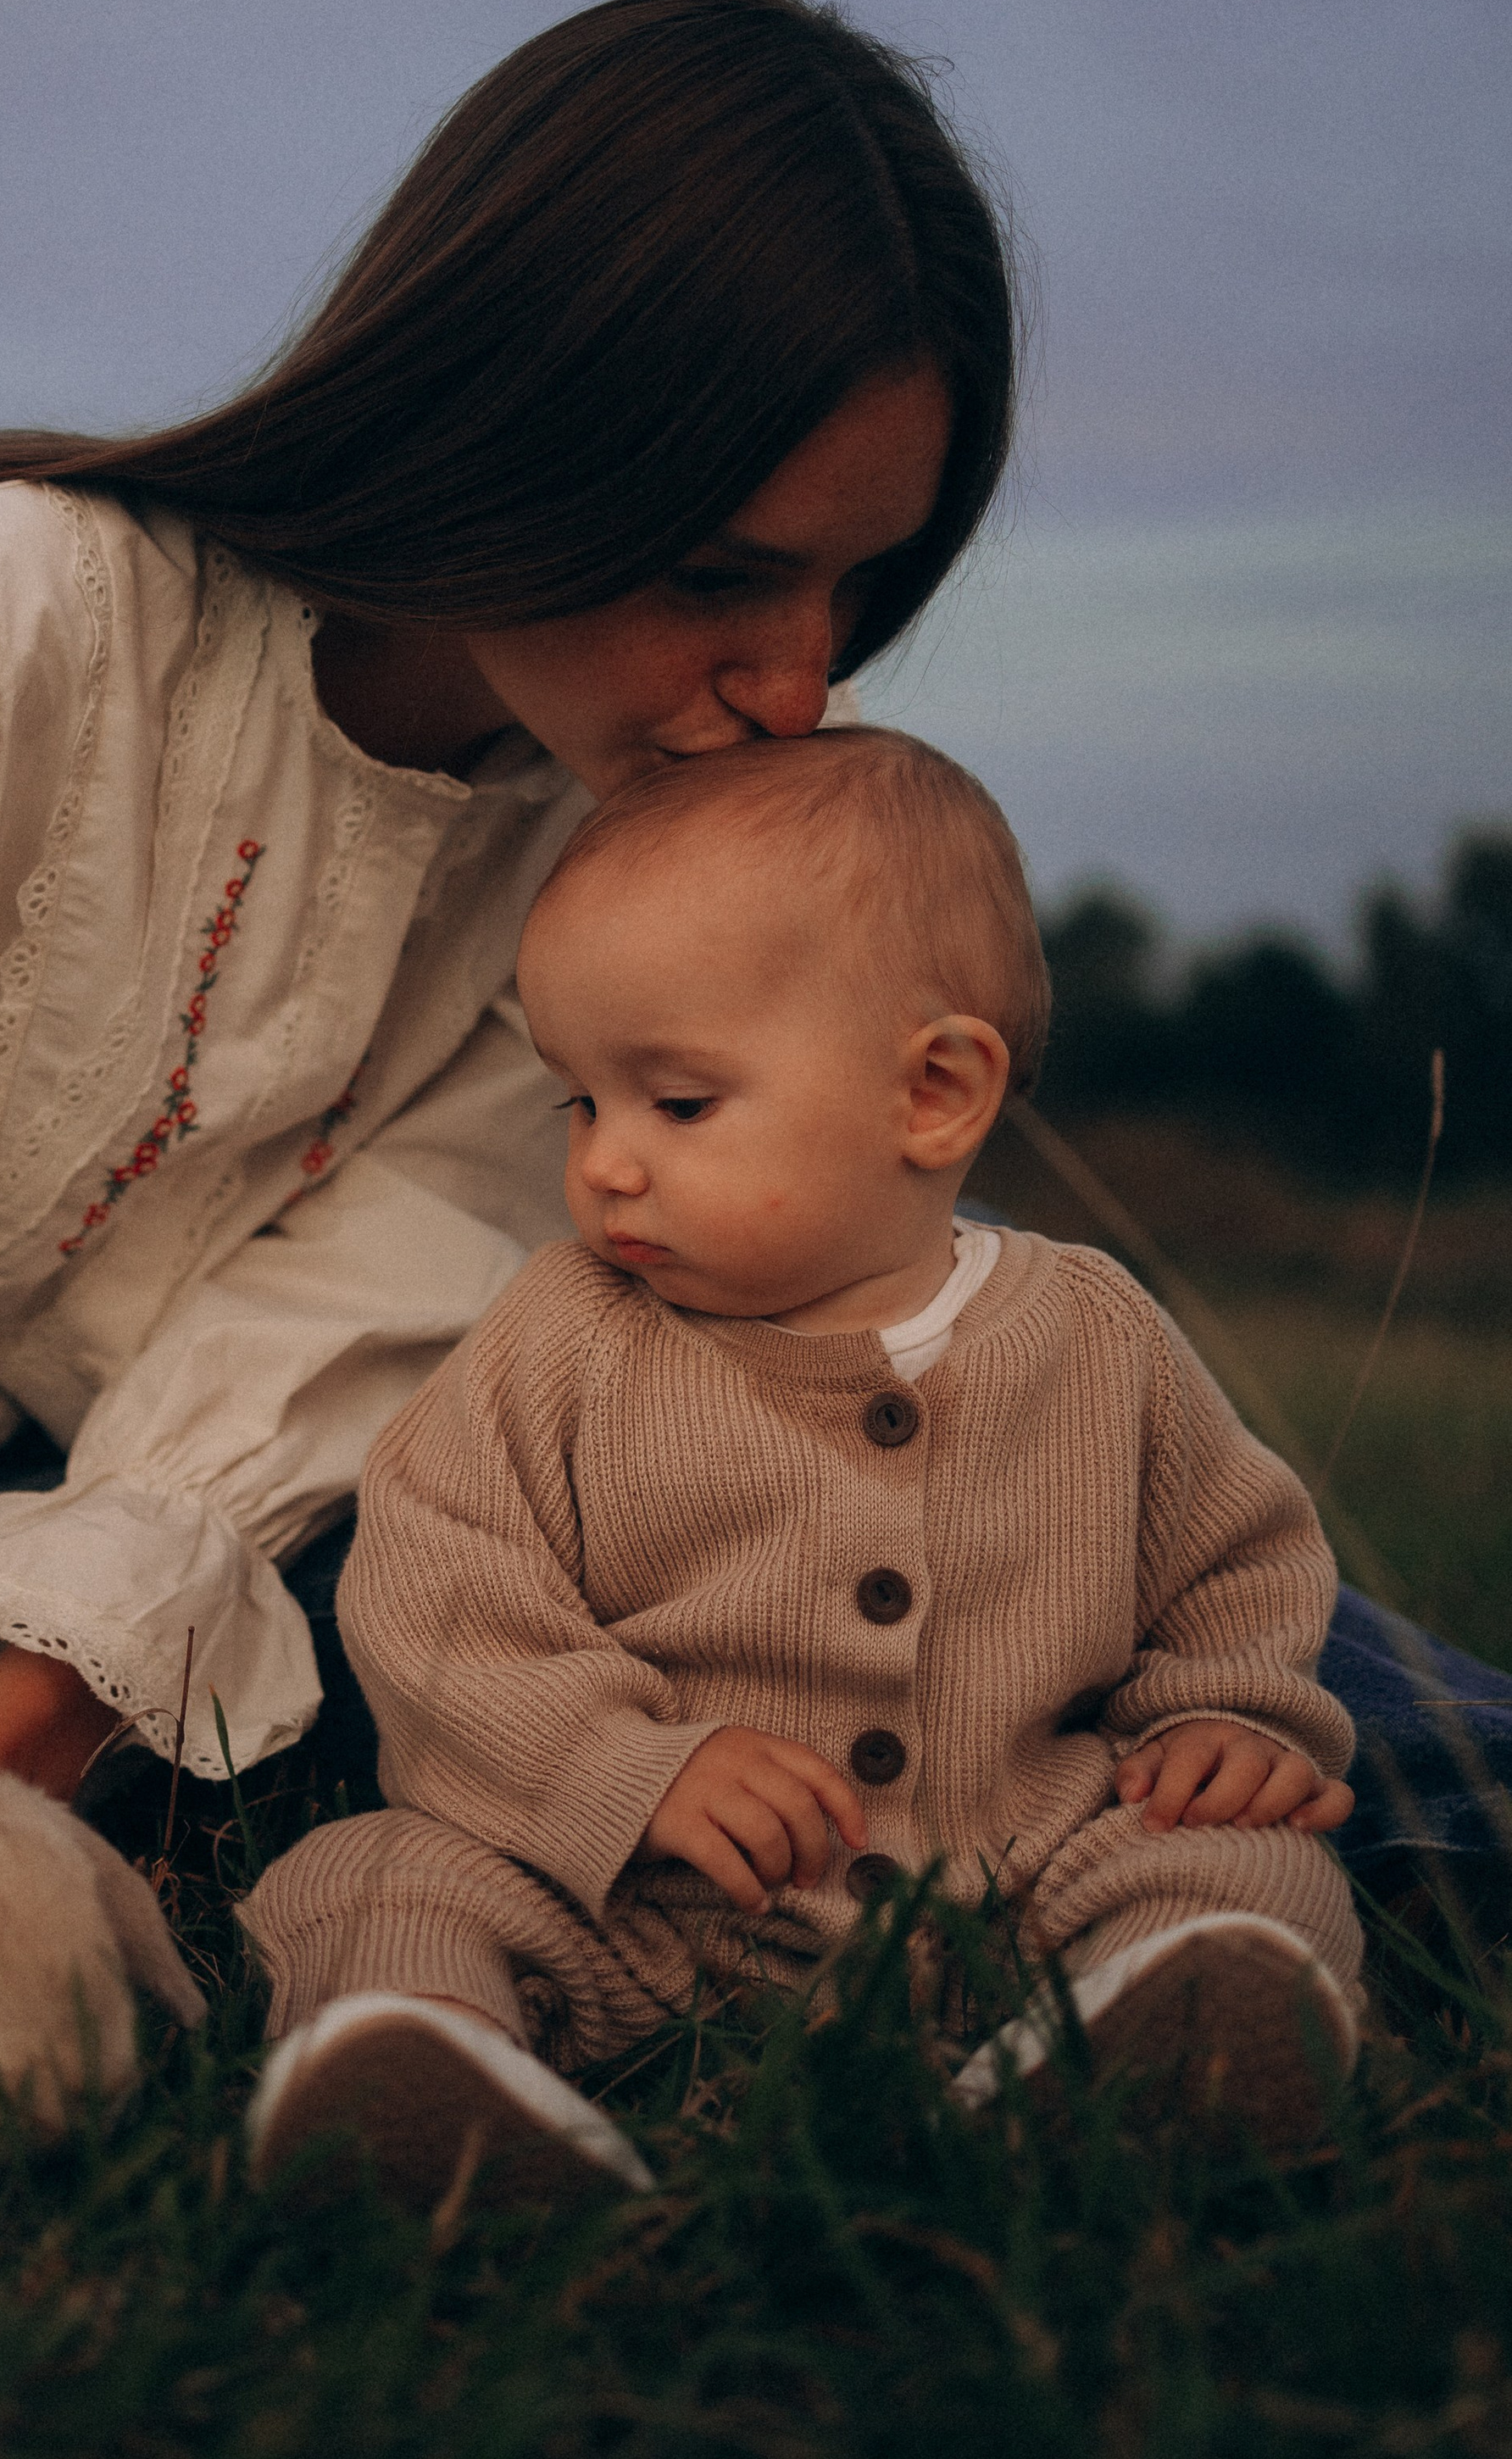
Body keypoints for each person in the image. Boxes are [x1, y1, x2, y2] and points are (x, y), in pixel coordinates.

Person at [0, 0, 1016, 2011]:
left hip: (73, 1635)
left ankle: (1281, 1831)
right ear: (518, 422)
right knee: (668, 1634)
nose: (795, 685)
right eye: (724, 572)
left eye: (853, 590)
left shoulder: (600, 870)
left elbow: (282, 1420)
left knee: (919, 1490)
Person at [240, 734, 1364, 2206]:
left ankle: (1131, 2044)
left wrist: (1225, 1712)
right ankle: (432, 2078)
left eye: (678, 1105)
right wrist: (626, 1771)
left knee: (1254, 1877)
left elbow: (1235, 1558)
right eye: (581, 1101)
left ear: (936, 1093)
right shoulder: (563, 1333)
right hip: (653, 1913)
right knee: (371, 1879)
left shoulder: (1094, 1338)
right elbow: (441, 1584)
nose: (606, 1165)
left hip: (1018, 1886)